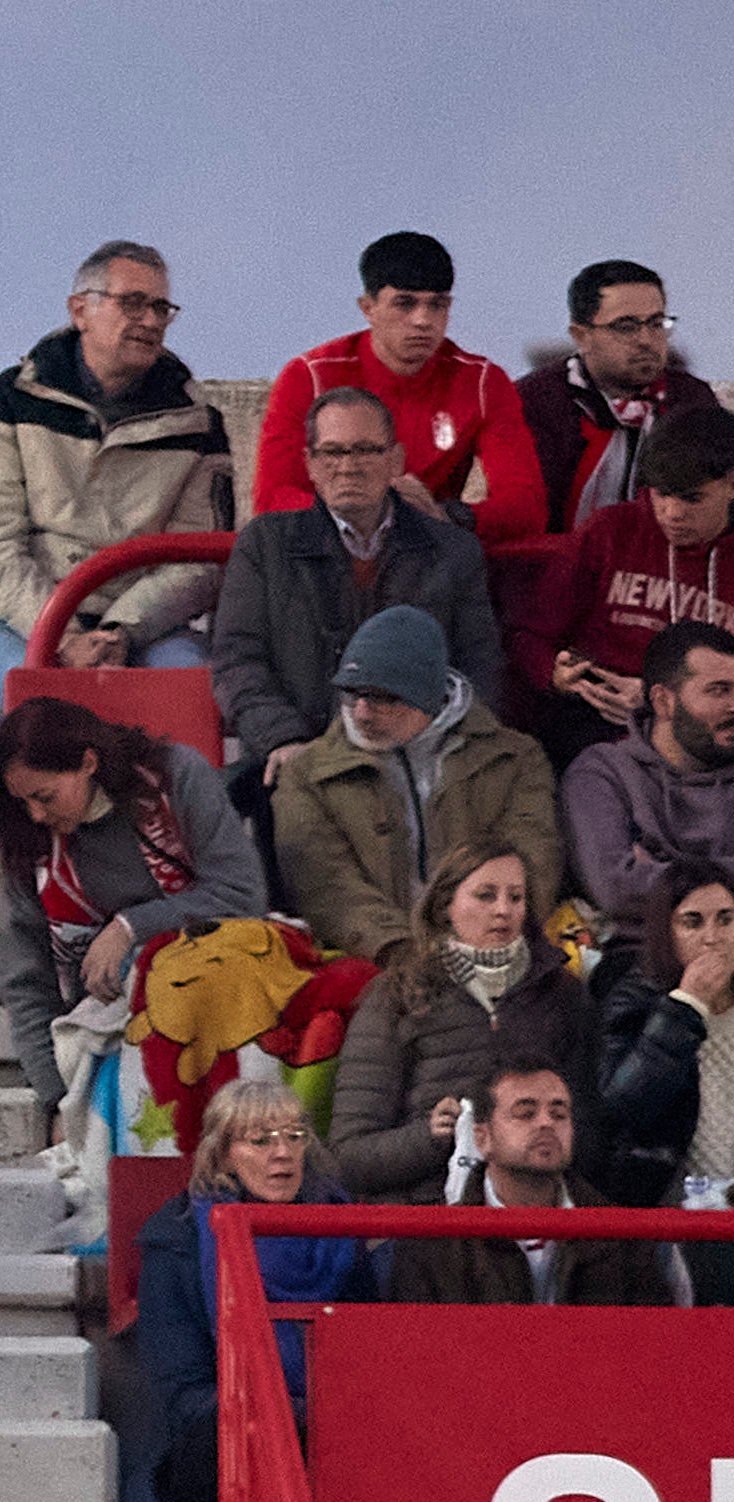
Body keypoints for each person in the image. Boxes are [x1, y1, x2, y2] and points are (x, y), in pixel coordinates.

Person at [0, 240, 236, 712]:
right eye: (133, 303)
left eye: (161, 308)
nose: (149, 320)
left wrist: (120, 631)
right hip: (18, 621)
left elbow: (200, 558)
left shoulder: (198, 423)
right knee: (44, 716)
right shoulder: (7, 401)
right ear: (80, 310)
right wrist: (61, 633)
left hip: (146, 626)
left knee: (193, 703)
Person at [0, 693, 271, 1115]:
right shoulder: (29, 839)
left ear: (88, 763)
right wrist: (59, 1101)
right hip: (102, 1030)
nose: (35, 815)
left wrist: (128, 928)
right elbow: (27, 984)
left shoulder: (177, 778)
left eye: (46, 796)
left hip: (217, 1000)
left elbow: (242, 894)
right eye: (23, 802)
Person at [213, 387, 512, 801]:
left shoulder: (454, 552)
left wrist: (439, 747)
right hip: (299, 761)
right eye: (332, 453)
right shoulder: (264, 544)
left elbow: (478, 665)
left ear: (396, 461)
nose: (348, 467)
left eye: (365, 450)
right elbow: (237, 661)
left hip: (418, 763)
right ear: (310, 465)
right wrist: (284, 739)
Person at [130, 1080, 376, 1502]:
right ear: (222, 1156)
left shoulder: (343, 1230)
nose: (282, 1153)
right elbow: (184, 1391)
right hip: (218, 1447)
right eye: (260, 1141)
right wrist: (297, 1415)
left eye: (295, 1136)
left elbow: (369, 1355)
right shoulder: (178, 1242)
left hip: (333, 1433)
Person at [273, 608, 563, 970]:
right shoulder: (307, 773)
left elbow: (531, 861)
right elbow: (330, 889)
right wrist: (405, 953)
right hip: (374, 961)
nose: (361, 713)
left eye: (383, 698)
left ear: (430, 698)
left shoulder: (514, 759)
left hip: (493, 950)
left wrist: (477, 945)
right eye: (351, 694)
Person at [329, 841, 606, 1198]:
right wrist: (429, 1136)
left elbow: (592, 1138)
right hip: (425, 1221)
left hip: (539, 1211)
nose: (503, 911)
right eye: (486, 896)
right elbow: (348, 1158)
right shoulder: (395, 995)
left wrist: (543, 1131)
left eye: (516, 898)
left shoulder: (563, 994)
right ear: (445, 907)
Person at [254, 231, 545, 552]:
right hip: (323, 556)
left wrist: (446, 515)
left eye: (437, 305)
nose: (423, 320)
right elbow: (272, 498)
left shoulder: (482, 382)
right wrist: (371, 514)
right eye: (404, 304)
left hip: (427, 556)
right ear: (368, 308)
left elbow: (526, 506)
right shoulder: (311, 375)